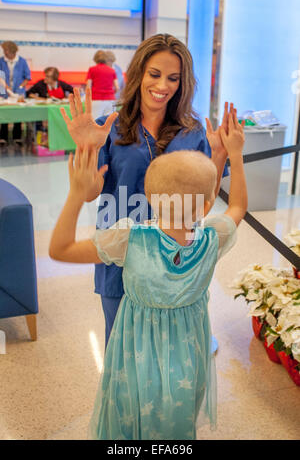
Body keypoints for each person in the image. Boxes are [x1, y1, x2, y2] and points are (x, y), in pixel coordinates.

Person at [49, 108, 247, 439]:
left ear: (151, 198)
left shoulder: (131, 239)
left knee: (131, 413)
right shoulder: (212, 236)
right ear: (207, 202)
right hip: (188, 356)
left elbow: (60, 250)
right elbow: (238, 206)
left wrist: (74, 195)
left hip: (134, 352)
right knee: (176, 417)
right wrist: (233, 156)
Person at [61, 33, 235, 350]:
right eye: (155, 74)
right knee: (121, 348)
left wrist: (221, 155)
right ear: (139, 73)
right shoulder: (109, 126)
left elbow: (202, 205)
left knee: (173, 352)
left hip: (176, 258)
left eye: (173, 78)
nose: (163, 85)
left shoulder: (192, 131)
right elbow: (90, 192)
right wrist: (87, 148)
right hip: (122, 254)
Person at [0, 41, 31, 148]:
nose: (4, 52)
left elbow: (27, 77)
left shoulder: (22, 61)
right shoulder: (1, 61)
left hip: (18, 91)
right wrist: (5, 87)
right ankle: (3, 137)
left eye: (6, 50)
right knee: (4, 114)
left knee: (18, 114)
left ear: (12, 51)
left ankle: (17, 137)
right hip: (4, 91)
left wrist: (21, 87)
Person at [86, 50, 119, 119]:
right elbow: (117, 88)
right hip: (110, 100)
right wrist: (111, 93)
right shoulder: (112, 70)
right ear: (105, 59)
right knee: (109, 123)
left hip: (96, 100)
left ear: (95, 59)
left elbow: (88, 87)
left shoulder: (92, 69)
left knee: (95, 123)